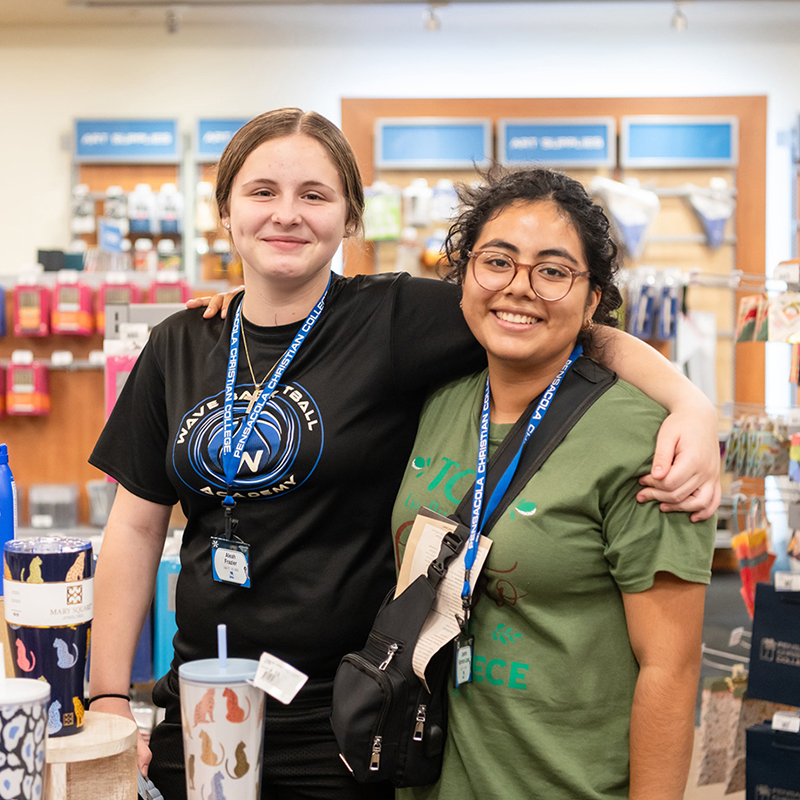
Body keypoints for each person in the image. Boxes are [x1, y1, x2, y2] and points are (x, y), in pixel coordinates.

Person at [88, 108, 718, 800]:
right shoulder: (181, 343)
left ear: (350, 218)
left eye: (315, 195)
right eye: (262, 192)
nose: (286, 215)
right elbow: (137, 523)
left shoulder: (391, 319)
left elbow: (548, 318)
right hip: (206, 693)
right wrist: (111, 694)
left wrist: (691, 403)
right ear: (225, 210)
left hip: (345, 707)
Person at [391, 167, 715, 800]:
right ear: (464, 275)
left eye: (553, 270)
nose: (520, 288)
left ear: (593, 298)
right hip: (428, 779)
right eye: (498, 261)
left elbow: (670, 670)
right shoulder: (438, 403)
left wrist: (693, 404)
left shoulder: (645, 440)